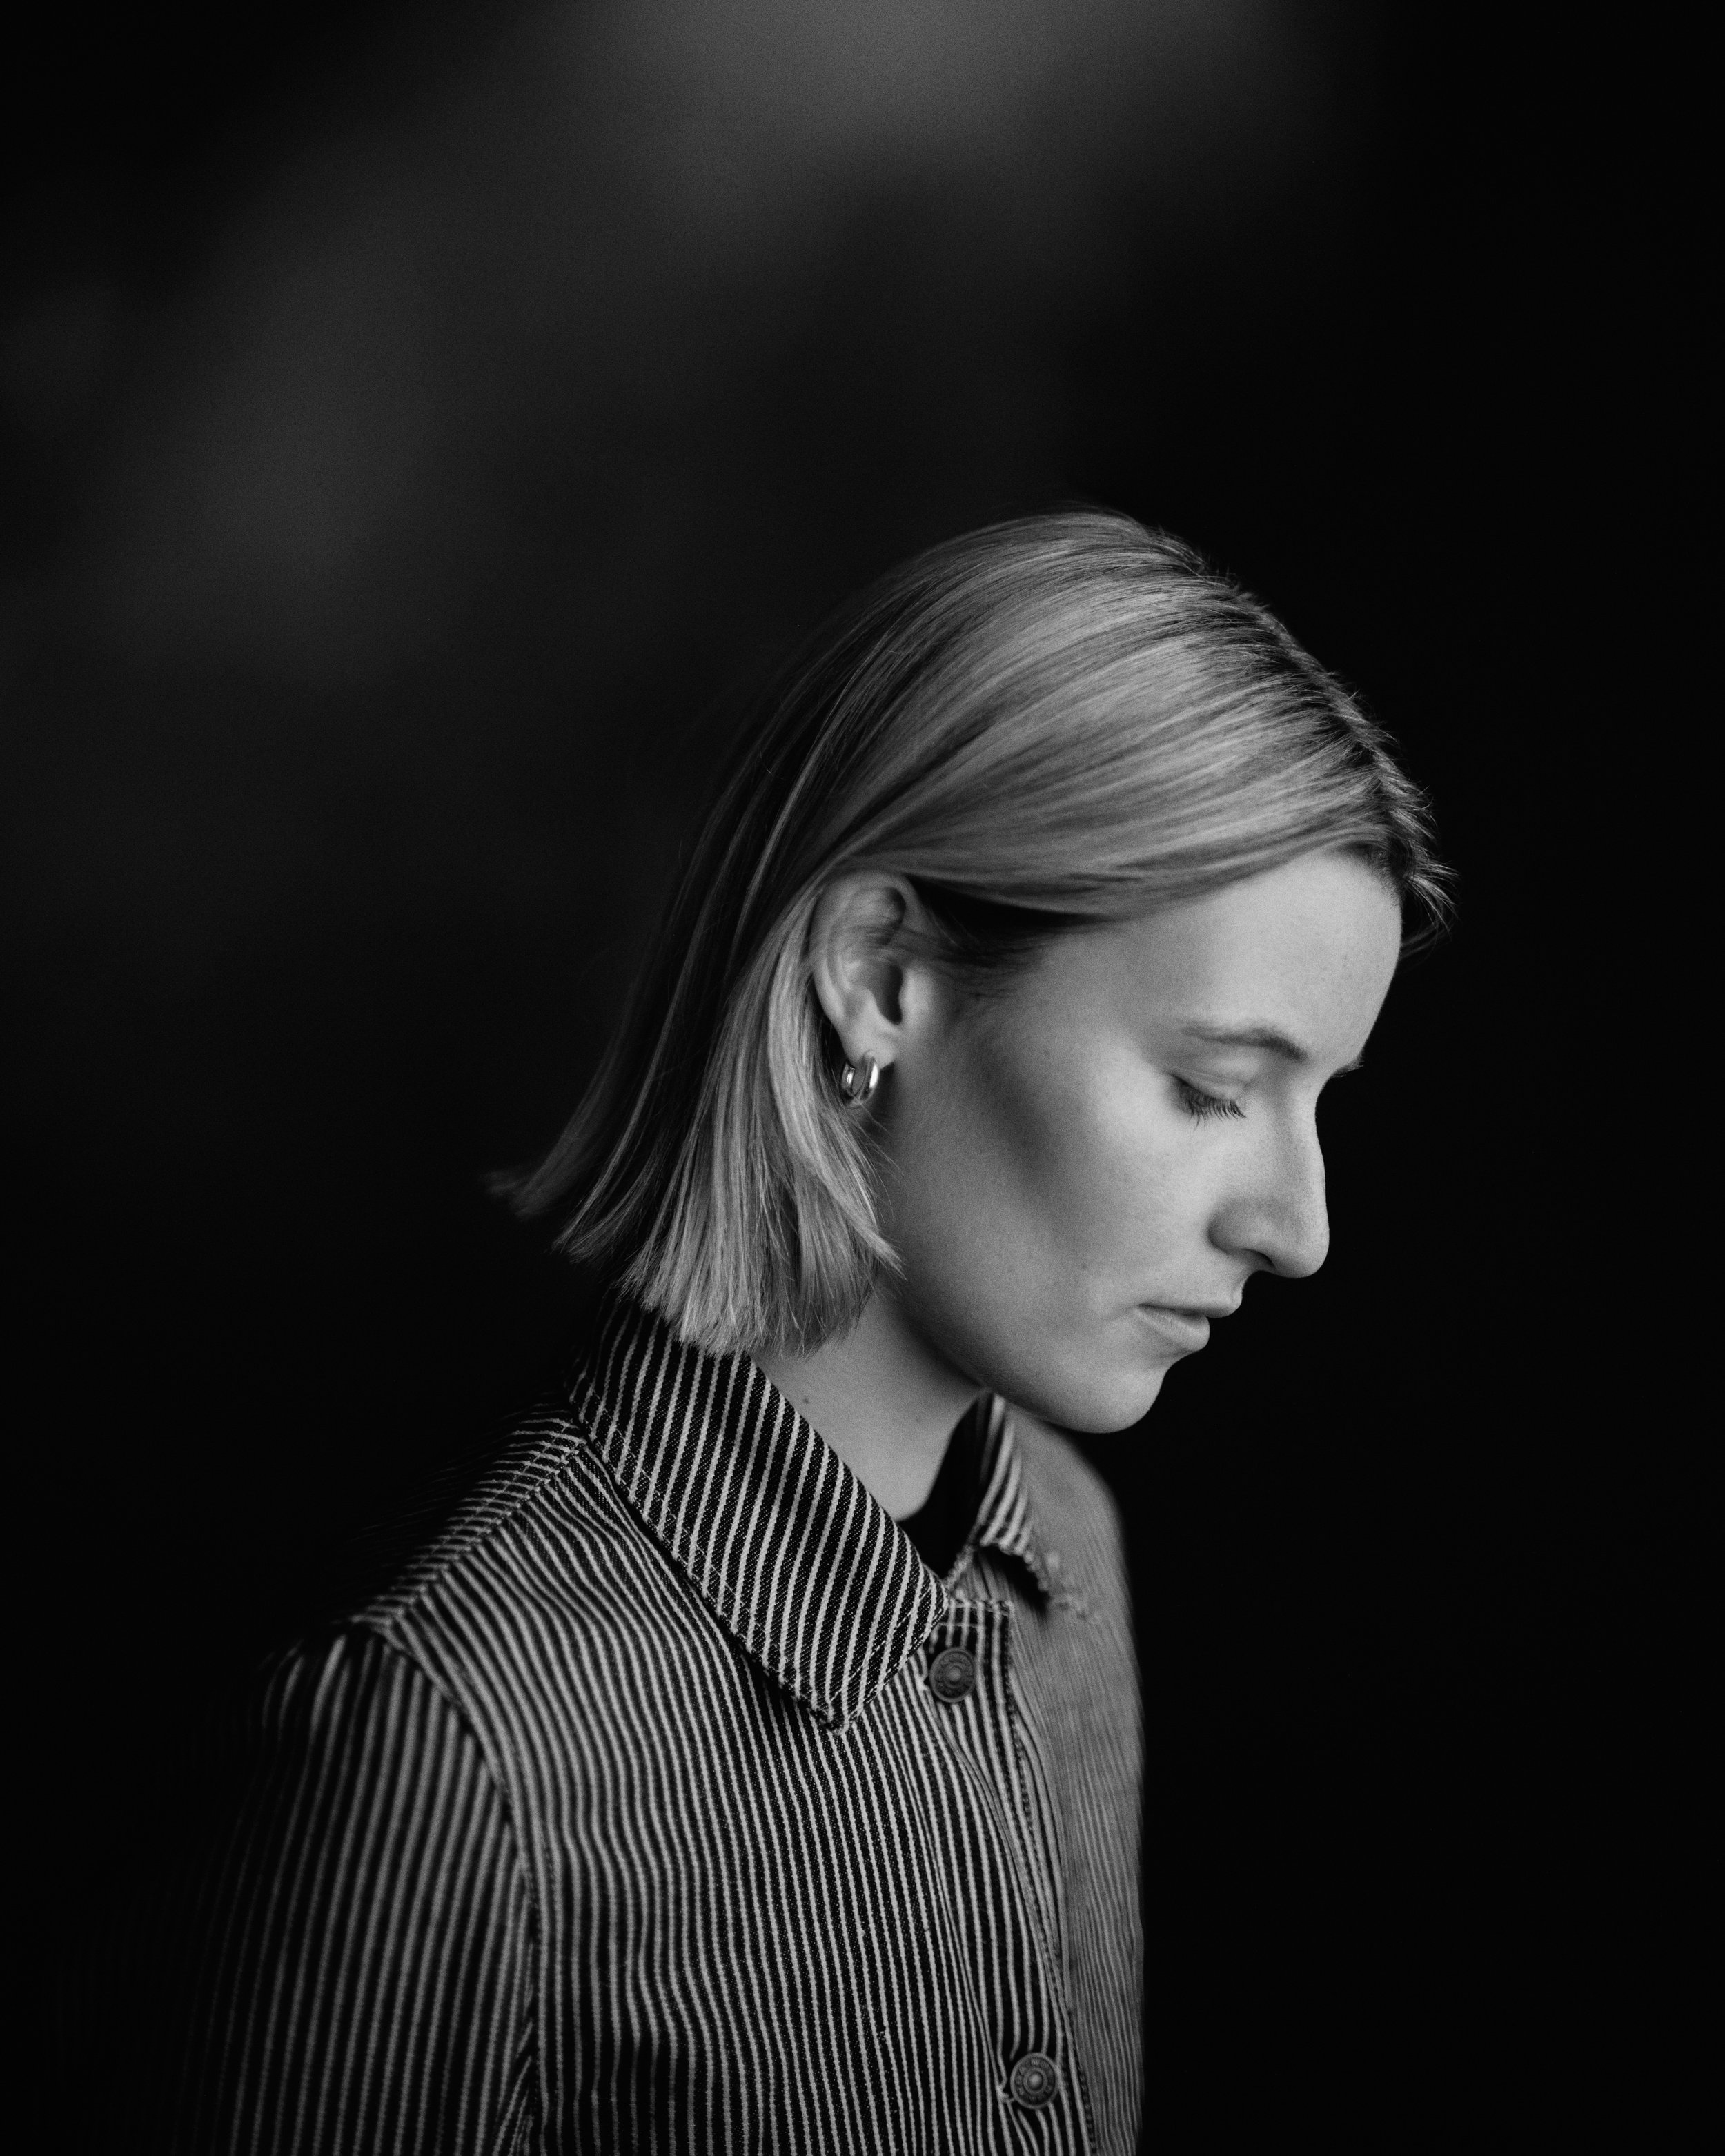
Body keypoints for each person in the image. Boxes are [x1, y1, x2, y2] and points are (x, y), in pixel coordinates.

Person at [140, 510, 1446, 2153]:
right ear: (877, 974)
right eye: (1207, 1089)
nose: (1299, 1230)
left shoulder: (1074, 1557)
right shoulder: (448, 1746)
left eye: (1315, 1103)